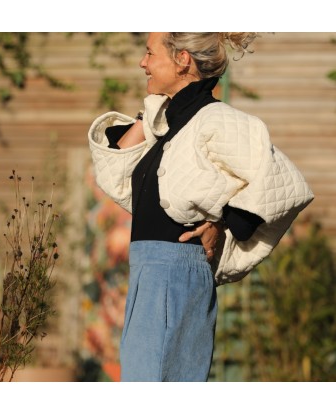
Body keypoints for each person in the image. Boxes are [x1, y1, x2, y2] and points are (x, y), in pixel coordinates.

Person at [88, 32, 314, 382]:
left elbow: (283, 181)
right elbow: (115, 168)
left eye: (150, 53)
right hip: (148, 274)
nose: (142, 62)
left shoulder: (215, 119)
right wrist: (149, 113)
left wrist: (224, 223)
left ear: (183, 60)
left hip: (176, 274)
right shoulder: (170, 124)